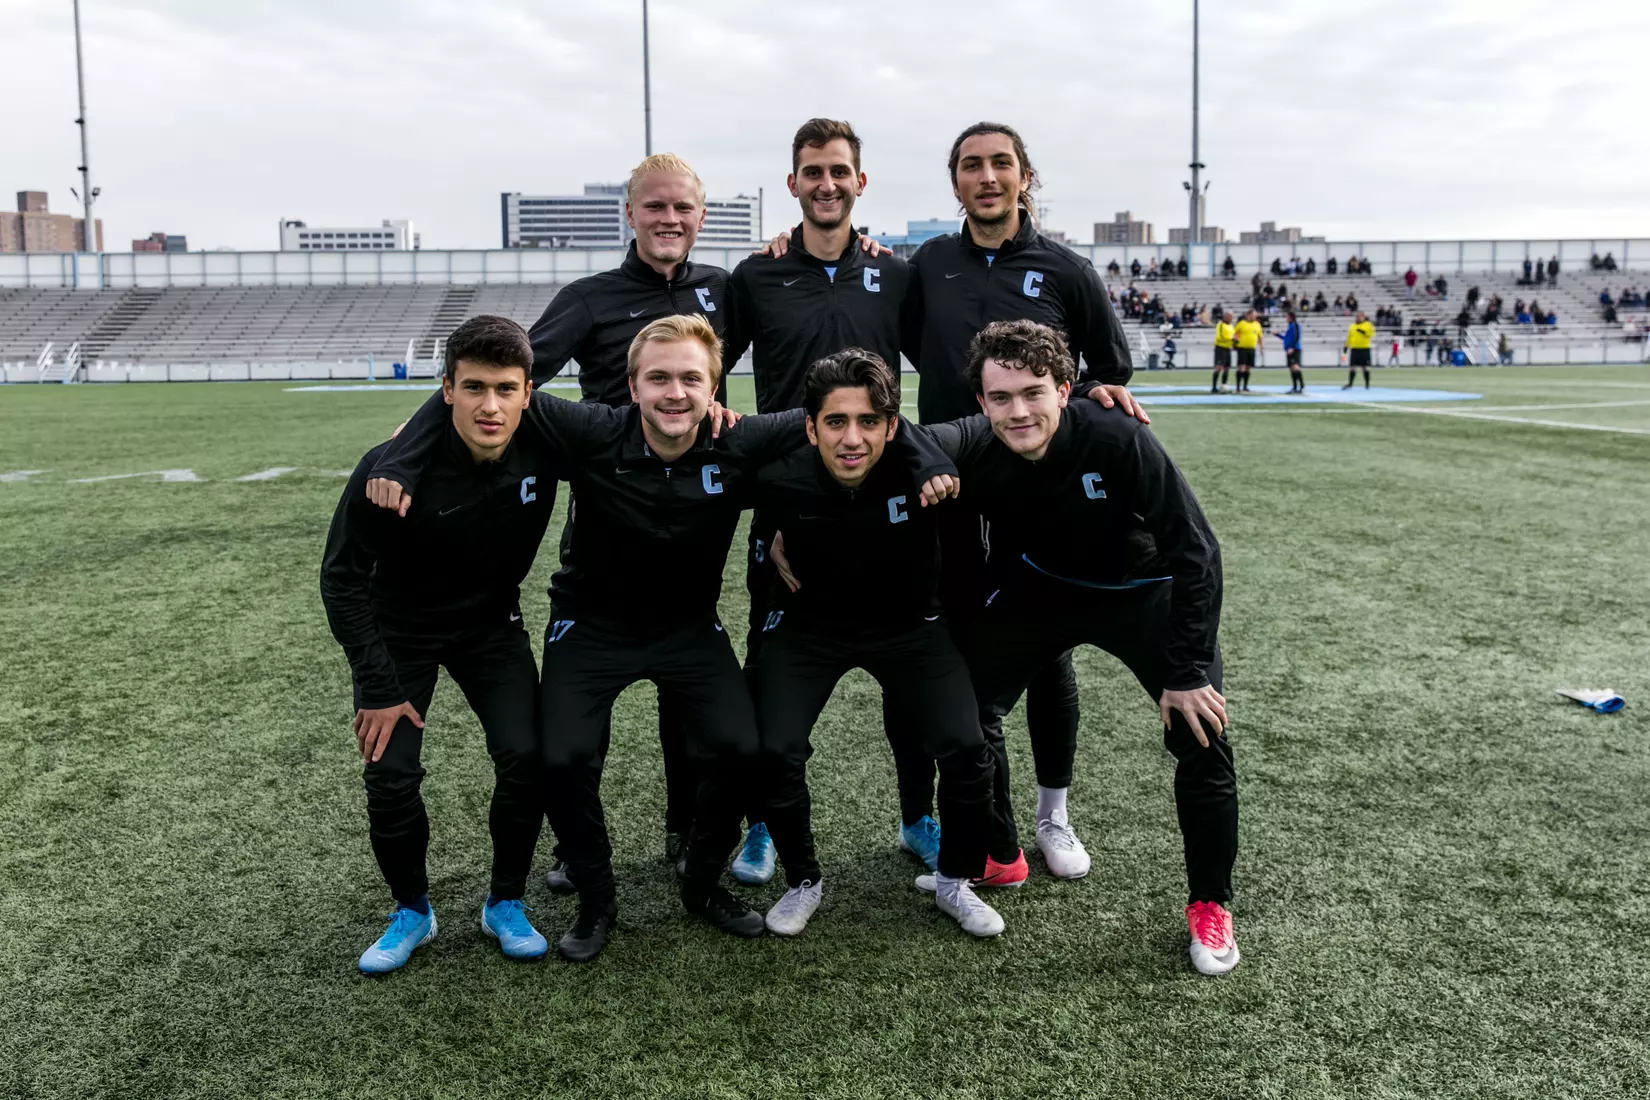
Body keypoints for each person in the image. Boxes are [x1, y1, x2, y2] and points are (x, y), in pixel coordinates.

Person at [365, 316, 955, 960]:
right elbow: (485, 388)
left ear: (714, 388)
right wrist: (400, 453)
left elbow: (855, 411)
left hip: (688, 627)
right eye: (659, 378)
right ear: (633, 386)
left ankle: (700, 885)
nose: (675, 393)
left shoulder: (741, 439)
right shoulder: (592, 430)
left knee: (741, 748)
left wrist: (923, 458)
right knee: (560, 757)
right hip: (590, 626)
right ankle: (596, 900)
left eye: (691, 379)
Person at [914, 320, 1238, 975]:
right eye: (1001, 397)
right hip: (1045, 589)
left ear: (1065, 389)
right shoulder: (980, 445)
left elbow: (1197, 551)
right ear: (981, 402)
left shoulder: (1119, 436)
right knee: (963, 710)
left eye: (1033, 393)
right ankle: (998, 853)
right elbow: (896, 445)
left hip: (1144, 591)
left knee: (1202, 731)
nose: (1018, 411)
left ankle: (1210, 903)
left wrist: (1184, 671)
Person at [900, 120, 1144, 887]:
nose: (987, 176)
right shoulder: (928, 265)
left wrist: (1082, 406)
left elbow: (1109, 370)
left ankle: (1052, 814)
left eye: (1000, 163)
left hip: (1039, 491)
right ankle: (973, 826)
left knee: (1048, 654)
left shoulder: (1067, 270)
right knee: (954, 649)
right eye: (971, 165)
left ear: (1024, 176)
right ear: (955, 182)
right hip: (946, 485)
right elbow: (902, 338)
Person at [320, 316, 563, 972]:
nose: (491, 406)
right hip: (399, 632)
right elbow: (341, 580)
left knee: (526, 755)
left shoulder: (547, 446)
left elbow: (631, 436)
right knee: (389, 775)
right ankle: (412, 911)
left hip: (490, 626)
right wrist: (378, 685)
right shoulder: (387, 470)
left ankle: (505, 901)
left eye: (506, 389)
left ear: (528, 392)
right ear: (446, 390)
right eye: (474, 388)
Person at [728, 119, 937, 879]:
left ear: (860, 182)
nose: (827, 184)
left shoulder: (896, 274)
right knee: (769, 671)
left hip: (884, 501)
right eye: (813, 172)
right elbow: (703, 374)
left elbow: (946, 368)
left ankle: (918, 817)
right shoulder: (755, 276)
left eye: (839, 171)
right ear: (793, 184)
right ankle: (760, 823)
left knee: (908, 675)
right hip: (786, 504)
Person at [518, 152, 729, 883]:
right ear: (630, 214)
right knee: (586, 698)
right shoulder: (589, 298)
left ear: (701, 216)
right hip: (608, 508)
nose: (669, 219)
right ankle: (575, 847)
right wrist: (413, 439)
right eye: (655, 206)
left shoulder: (724, 290)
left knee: (687, 693)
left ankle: (685, 829)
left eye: (682, 207)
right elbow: (512, 374)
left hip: (691, 513)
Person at [751, 350, 1003, 938]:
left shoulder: (921, 461)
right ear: (810, 427)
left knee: (968, 747)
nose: (852, 439)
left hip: (910, 628)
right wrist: (769, 540)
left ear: (893, 427)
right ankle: (803, 879)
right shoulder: (779, 474)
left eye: (869, 422)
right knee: (774, 748)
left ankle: (954, 879)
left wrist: (1094, 394)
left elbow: (989, 422)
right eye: (835, 422)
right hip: (810, 629)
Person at [1233, 309, 1262, 394]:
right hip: (1242, 348)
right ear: (1248, 315)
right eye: (1254, 315)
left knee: (1248, 368)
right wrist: (1235, 342)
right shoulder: (1241, 323)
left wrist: (1261, 346)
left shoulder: (1257, 324)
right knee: (1241, 367)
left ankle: (1245, 387)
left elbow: (1260, 336)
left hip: (1251, 348)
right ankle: (1238, 387)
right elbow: (1236, 334)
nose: (1255, 317)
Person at [1343, 310, 1374, 389]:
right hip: (1354, 349)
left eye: (1359, 316)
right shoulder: (1352, 326)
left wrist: (1363, 332)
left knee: (1365, 367)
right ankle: (1350, 384)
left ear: (1363, 317)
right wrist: (1346, 346)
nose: (1358, 318)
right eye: (1357, 316)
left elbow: (1371, 334)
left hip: (1364, 348)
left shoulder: (1367, 324)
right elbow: (1349, 337)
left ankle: (1367, 384)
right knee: (1352, 367)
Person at [1274, 310, 1303, 393]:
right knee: (1292, 368)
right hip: (1289, 350)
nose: (1286, 318)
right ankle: (1295, 387)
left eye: (1287, 317)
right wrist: (1277, 335)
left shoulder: (1295, 325)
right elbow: (1286, 338)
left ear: (1291, 317)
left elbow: (1297, 336)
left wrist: (1292, 347)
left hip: (1294, 349)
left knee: (1295, 367)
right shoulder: (1290, 326)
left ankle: (1302, 386)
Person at [1212, 310, 1235, 393]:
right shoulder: (1221, 324)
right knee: (1219, 367)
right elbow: (1220, 337)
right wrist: (1231, 339)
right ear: (1225, 316)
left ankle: (1223, 386)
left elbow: (1233, 336)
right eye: (1230, 316)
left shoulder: (1231, 326)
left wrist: (1234, 343)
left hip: (1228, 349)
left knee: (1226, 368)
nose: (1231, 318)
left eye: (1232, 316)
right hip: (1220, 348)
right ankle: (1214, 387)